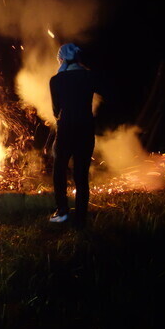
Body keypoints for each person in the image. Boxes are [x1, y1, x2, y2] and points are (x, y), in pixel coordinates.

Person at [49, 43, 101, 228]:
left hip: (66, 129)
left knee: (59, 170)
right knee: (81, 173)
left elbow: (56, 110)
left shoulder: (56, 80)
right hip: (86, 129)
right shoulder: (89, 76)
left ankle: (62, 210)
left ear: (61, 58)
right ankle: (80, 217)